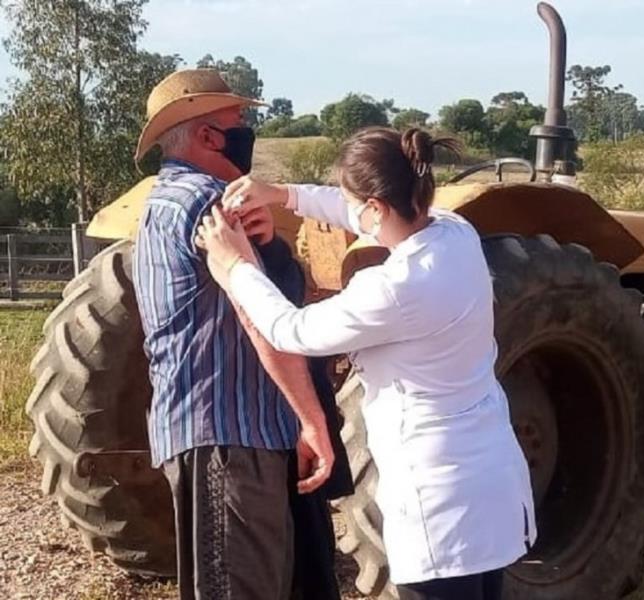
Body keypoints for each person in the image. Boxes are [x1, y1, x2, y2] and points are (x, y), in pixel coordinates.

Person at [196, 126, 538, 600]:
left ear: (375, 208)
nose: (349, 210)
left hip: (437, 501)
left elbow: (291, 331)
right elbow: (359, 213)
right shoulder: (454, 234)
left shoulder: (396, 288)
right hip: (490, 483)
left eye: (355, 202)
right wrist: (283, 195)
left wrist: (235, 266)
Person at [132, 68, 351, 600]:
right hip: (233, 439)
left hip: (221, 434)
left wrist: (272, 245)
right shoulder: (212, 205)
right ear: (208, 136)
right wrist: (312, 420)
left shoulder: (163, 203)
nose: (246, 131)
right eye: (239, 121)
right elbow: (262, 319)